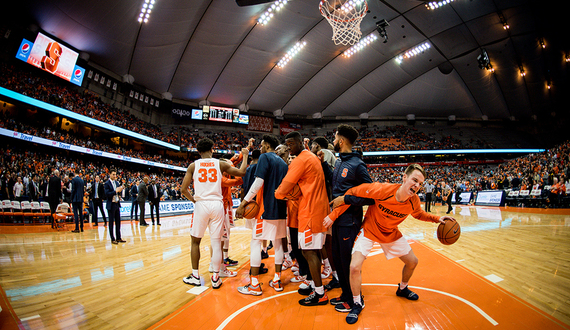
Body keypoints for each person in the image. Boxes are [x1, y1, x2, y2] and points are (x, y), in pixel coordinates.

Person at [324, 164, 457, 324]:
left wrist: (437, 219)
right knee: (354, 267)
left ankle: (402, 288)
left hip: (390, 233)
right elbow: (352, 192)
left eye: (420, 183)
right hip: (370, 230)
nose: (417, 186)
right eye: (414, 180)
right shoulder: (383, 190)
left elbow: (418, 214)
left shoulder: (413, 201)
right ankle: (357, 302)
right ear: (404, 178)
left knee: (413, 262)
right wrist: (333, 215)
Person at [181, 139, 248, 289]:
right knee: (216, 242)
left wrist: (194, 201)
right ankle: (216, 277)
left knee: (195, 242)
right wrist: (245, 155)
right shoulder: (220, 163)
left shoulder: (193, 165)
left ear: (198, 151)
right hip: (217, 204)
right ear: (212, 149)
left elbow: (183, 189)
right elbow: (242, 172)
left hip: (201, 204)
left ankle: (195, 276)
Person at [275, 131, 330, 306]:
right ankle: (315, 285)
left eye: (291, 144)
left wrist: (278, 194)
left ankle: (320, 294)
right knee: (313, 250)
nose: (289, 147)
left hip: (310, 211)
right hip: (317, 208)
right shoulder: (310, 156)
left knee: (309, 252)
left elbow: (284, 187)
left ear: (300, 142)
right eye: (287, 144)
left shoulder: (300, 160)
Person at [325, 124, 374, 313]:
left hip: (349, 221)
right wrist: (322, 163)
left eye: (335, 138)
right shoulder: (339, 161)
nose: (333, 141)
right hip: (337, 219)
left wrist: (346, 199)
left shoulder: (357, 165)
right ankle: (346, 294)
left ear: (342, 141)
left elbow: (370, 196)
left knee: (346, 261)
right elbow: (336, 184)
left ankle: (356, 299)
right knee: (337, 258)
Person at [235, 134, 288, 296]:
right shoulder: (283, 163)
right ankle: (277, 280)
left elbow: (258, 182)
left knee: (255, 242)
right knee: (278, 244)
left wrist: (243, 203)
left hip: (265, 210)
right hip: (281, 209)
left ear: (266, 145)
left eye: (262, 144)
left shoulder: (265, 157)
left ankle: (254, 284)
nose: (260, 146)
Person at [105, 169, 126, 244]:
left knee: (118, 221)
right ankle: (112, 238)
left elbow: (117, 193)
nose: (114, 176)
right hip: (111, 204)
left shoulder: (117, 183)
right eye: (113, 174)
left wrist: (119, 192)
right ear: (110, 174)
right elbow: (107, 194)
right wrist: (115, 191)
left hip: (117, 203)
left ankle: (118, 237)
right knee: (111, 222)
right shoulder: (107, 183)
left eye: (115, 174)